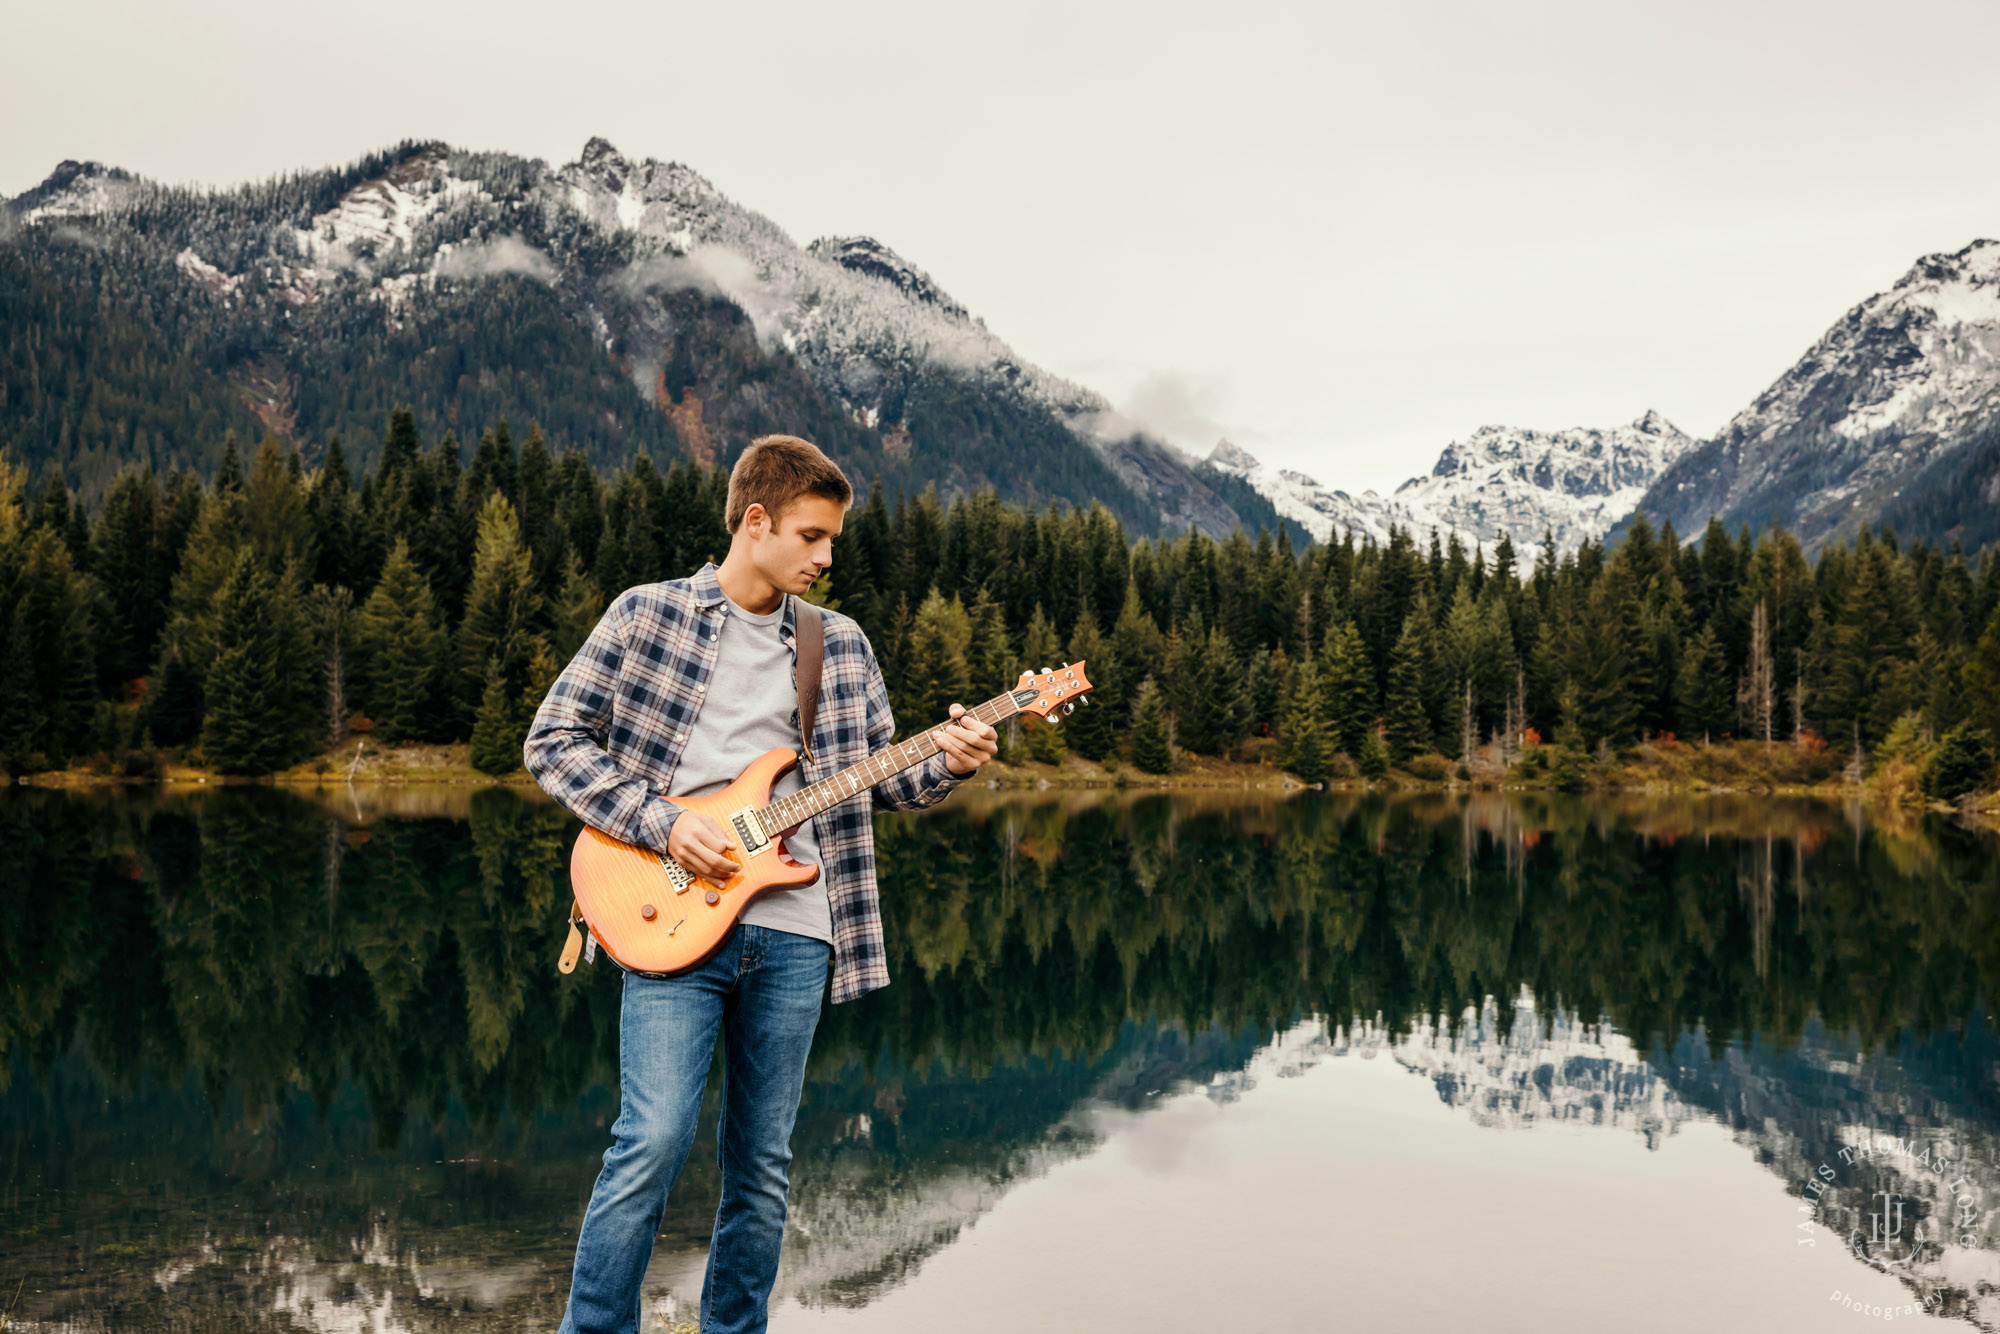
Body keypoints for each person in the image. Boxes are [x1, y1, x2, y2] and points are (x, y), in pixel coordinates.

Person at [523, 434, 998, 1334]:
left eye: (832, 542)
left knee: (763, 1165)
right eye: (813, 537)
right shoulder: (646, 615)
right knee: (652, 1140)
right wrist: (664, 822)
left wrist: (954, 759)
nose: (826, 558)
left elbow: (884, 779)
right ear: (755, 521)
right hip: (670, 913)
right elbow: (551, 743)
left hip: (795, 929)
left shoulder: (839, 646)